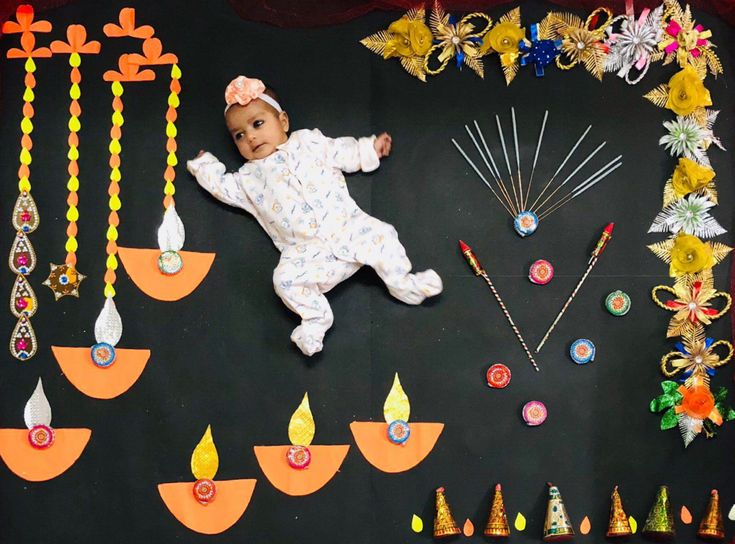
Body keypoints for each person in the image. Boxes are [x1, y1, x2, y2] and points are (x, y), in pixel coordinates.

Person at [187, 76, 442, 356]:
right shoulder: (248, 179)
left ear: (282, 122)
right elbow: (223, 187)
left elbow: (341, 151)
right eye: (239, 135)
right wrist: (205, 166)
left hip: (349, 228)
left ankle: (403, 284)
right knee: (283, 280)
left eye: (257, 124)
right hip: (308, 254)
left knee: (384, 235)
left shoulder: (309, 142)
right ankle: (315, 319)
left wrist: (369, 149)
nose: (250, 136)